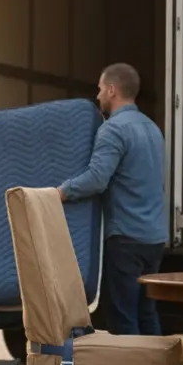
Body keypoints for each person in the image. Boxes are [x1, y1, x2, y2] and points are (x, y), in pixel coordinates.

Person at [56, 63, 168, 336]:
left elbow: (96, 178)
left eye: (99, 90)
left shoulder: (113, 129)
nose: (97, 97)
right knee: (146, 313)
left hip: (126, 239)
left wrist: (59, 192)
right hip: (154, 239)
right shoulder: (153, 129)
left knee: (124, 317)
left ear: (112, 89)